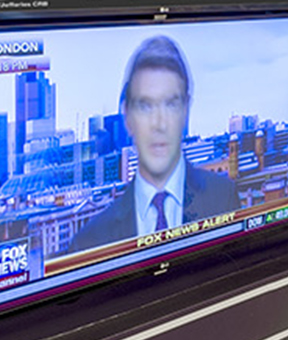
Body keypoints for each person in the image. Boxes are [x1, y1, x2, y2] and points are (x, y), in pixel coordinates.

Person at [77, 34, 238, 249]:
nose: (159, 124)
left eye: (170, 104)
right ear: (127, 117)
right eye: (145, 106)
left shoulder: (223, 198)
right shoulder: (90, 240)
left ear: (185, 111)